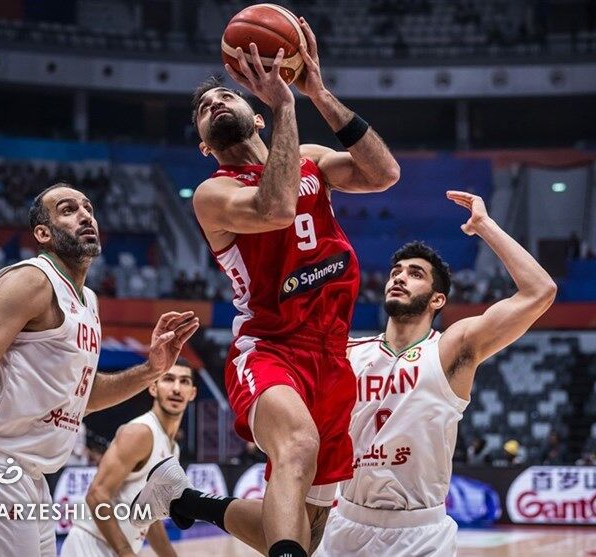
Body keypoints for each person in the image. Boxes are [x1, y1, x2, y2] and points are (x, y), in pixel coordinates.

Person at [132, 18, 400, 557]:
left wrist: (316, 93)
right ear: (206, 147)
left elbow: (384, 173)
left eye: (222, 97)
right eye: (202, 111)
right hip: (270, 348)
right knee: (296, 445)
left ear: (252, 112)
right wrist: (285, 110)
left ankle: (189, 501)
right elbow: (277, 210)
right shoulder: (213, 193)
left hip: (330, 354)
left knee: (310, 526)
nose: (212, 107)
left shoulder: (313, 162)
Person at [0, 183, 199, 557]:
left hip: (31, 479)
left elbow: (80, 399)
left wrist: (150, 370)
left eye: (88, 208)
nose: (85, 215)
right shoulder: (30, 280)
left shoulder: (88, 300)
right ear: (44, 233)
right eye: (68, 209)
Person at [318, 191, 557, 557]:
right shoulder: (349, 350)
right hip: (346, 523)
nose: (400, 278)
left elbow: (540, 291)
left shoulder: (450, 349)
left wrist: (485, 226)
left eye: (415, 274)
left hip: (420, 533)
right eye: (396, 272)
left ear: (437, 299)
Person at [62, 360, 197, 557]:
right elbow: (97, 495)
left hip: (117, 549)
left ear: (192, 393)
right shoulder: (140, 432)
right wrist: (126, 552)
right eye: (168, 379)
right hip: (91, 547)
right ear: (153, 388)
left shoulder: (172, 448)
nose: (176, 388)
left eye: (184, 381)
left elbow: (149, 515)